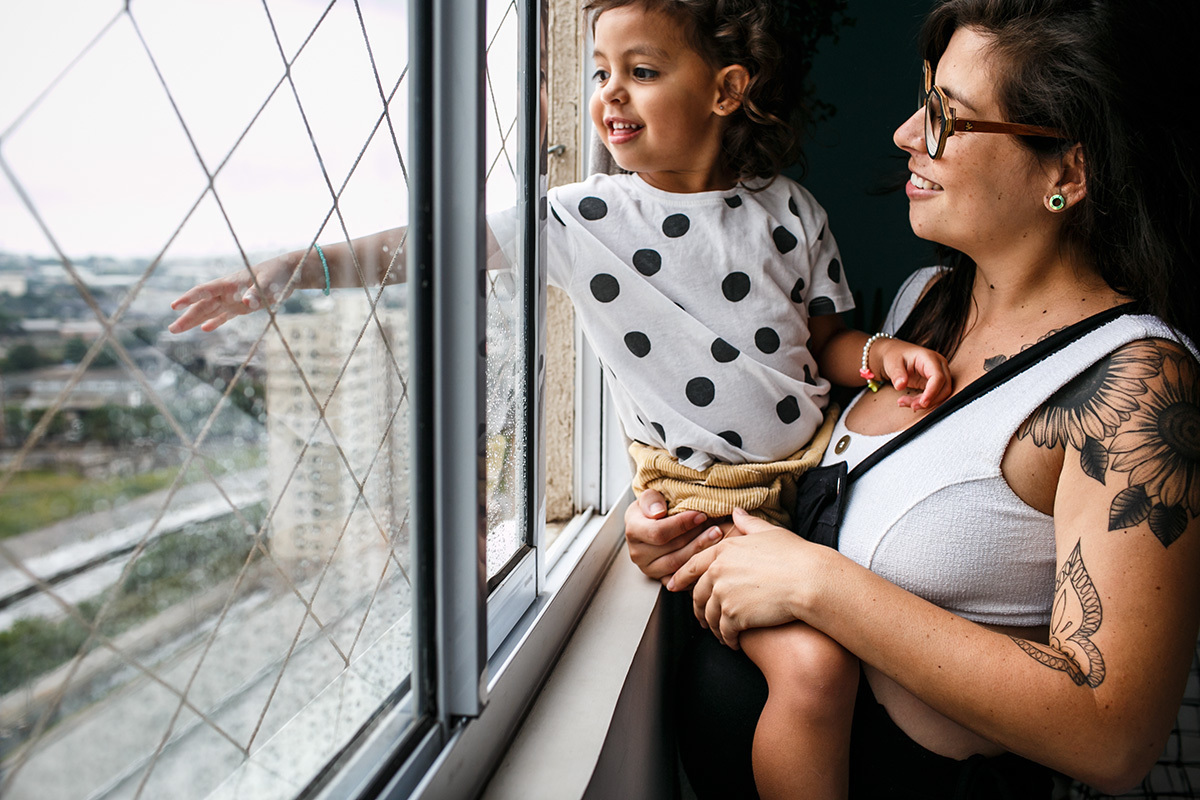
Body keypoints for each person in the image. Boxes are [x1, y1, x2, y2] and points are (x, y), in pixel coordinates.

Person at [169, 2, 952, 797]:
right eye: (602, 72)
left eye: (641, 71)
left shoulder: (791, 210)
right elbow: (437, 241)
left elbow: (823, 341)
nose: (610, 93)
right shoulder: (582, 219)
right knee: (817, 670)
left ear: (726, 90)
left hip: (817, 481)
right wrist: (302, 269)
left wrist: (880, 355)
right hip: (708, 509)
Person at [624, 0, 1200, 797]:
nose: (904, 135)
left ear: (1067, 173)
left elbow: (1113, 735)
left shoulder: (1135, 382)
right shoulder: (923, 303)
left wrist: (818, 585)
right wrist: (688, 527)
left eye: (945, 118)